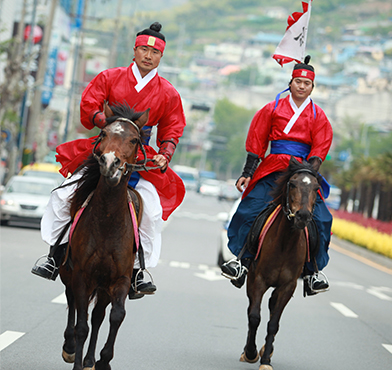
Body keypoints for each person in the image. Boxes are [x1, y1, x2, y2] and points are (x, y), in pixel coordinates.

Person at [32, 22, 186, 298]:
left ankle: (139, 270)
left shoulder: (168, 92)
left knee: (151, 212)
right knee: (63, 195)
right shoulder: (110, 76)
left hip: (138, 154)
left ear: (161, 57)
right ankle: (54, 254)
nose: (148, 56)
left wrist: (165, 153)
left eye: (154, 52)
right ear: (135, 50)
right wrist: (111, 127)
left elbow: (173, 126)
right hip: (105, 145)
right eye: (143, 49)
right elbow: (88, 105)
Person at [220, 56, 333, 295]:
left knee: (322, 219)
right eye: (298, 82)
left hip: (302, 172)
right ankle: (241, 260)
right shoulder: (272, 108)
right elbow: (257, 139)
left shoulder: (318, 115)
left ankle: (312, 271)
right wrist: (248, 172)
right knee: (250, 209)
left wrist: (309, 172)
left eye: (307, 83)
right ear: (290, 83)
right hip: (272, 168)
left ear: (313, 87)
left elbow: (320, 147)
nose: (302, 86)